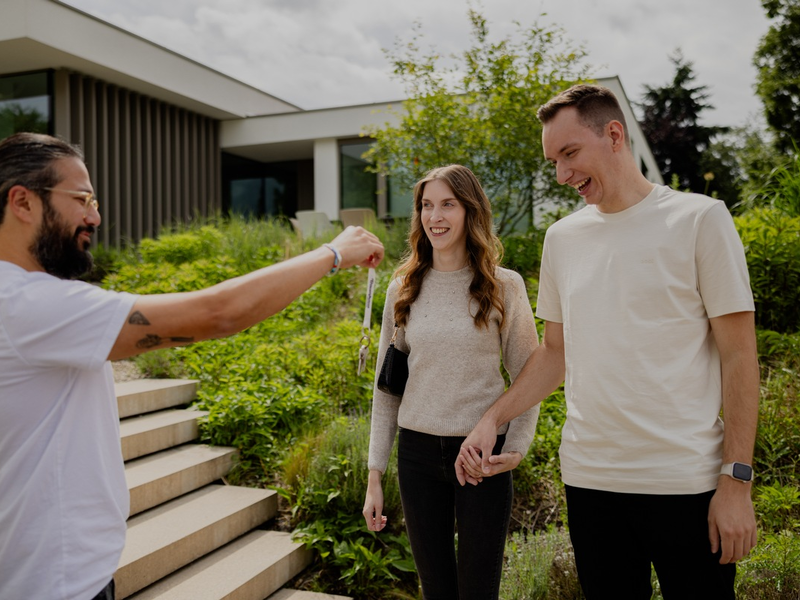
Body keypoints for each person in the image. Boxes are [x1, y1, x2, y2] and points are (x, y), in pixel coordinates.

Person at [0, 132, 384, 600]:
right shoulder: (26, 306)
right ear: (22, 201)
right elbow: (218, 313)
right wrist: (334, 253)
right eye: (81, 199)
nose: (95, 216)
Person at [456, 84, 760, 600]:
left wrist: (736, 482)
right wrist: (493, 419)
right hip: (591, 481)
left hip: (684, 483)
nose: (562, 175)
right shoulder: (563, 238)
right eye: (553, 160)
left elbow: (739, 357)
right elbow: (556, 353)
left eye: (570, 153)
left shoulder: (699, 220)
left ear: (614, 135)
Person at [362, 164, 540, 600]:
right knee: (436, 590)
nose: (434, 216)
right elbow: (387, 390)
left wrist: (514, 450)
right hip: (417, 455)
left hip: (481, 455)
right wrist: (374, 474)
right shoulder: (403, 287)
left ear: (469, 211)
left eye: (447, 204)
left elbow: (529, 377)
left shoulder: (504, 286)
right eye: (426, 205)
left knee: (478, 590)